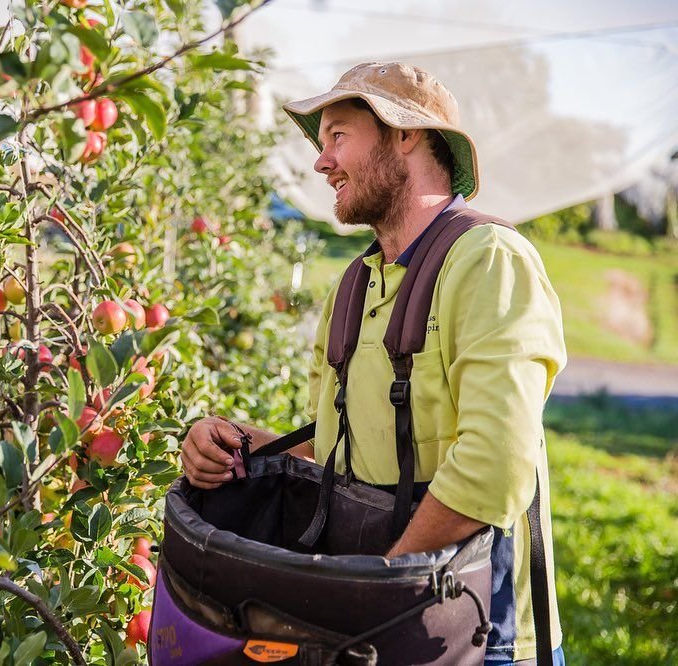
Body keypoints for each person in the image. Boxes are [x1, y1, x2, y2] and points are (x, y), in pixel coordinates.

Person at [180, 62, 567, 665]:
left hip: (472, 632)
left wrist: (381, 589)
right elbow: (335, 448)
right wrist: (238, 446)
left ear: (405, 132)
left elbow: (495, 463)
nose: (321, 161)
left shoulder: (490, 261)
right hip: (374, 630)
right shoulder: (355, 285)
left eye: (338, 135)